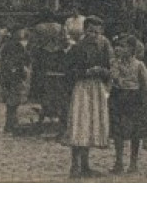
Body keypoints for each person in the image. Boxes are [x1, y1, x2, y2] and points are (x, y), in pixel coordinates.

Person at [65, 16, 113, 179]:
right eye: (91, 31)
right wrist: (86, 72)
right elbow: (69, 71)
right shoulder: (77, 48)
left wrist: (102, 72)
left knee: (91, 124)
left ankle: (85, 165)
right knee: (80, 124)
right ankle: (74, 165)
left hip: (97, 87)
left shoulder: (103, 47)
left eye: (97, 32)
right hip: (82, 88)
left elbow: (109, 68)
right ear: (85, 31)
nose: (94, 35)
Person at [107, 35, 147, 173]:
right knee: (117, 131)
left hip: (134, 98)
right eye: (118, 46)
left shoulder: (139, 65)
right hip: (119, 97)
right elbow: (114, 79)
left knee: (135, 132)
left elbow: (145, 85)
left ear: (132, 48)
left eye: (123, 46)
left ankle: (133, 163)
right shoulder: (115, 63)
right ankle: (118, 161)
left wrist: (145, 102)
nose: (119, 48)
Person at [0, 26, 31, 135]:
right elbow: (25, 59)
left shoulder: (9, 45)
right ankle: (10, 124)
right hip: (13, 75)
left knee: (11, 101)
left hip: (10, 75)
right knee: (13, 100)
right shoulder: (15, 46)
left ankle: (10, 123)